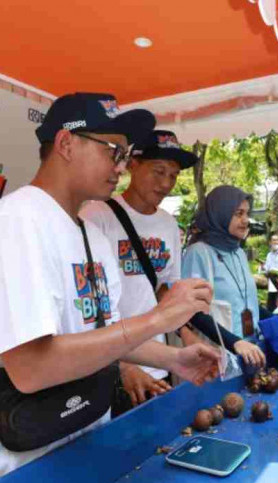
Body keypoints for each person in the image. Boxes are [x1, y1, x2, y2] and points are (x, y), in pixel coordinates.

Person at [0, 94, 220, 483]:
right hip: (21, 470)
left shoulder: (90, 234)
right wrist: (158, 318)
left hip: (85, 444)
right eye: (113, 150)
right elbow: (31, 368)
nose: (120, 166)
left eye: (125, 153)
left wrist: (173, 358)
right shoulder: (15, 223)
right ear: (66, 144)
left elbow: (106, 333)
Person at [80, 129, 203, 409]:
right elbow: (86, 308)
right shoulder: (96, 216)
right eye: (158, 171)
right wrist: (121, 364)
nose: (166, 183)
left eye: (173, 175)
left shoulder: (168, 224)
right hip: (109, 370)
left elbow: (163, 291)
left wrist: (186, 333)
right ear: (132, 164)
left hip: (157, 365)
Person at [182, 185, 267, 367]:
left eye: (247, 213)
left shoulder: (238, 252)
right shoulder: (199, 253)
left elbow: (247, 301)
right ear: (220, 213)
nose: (246, 220)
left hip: (249, 354)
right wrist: (234, 342)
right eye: (238, 213)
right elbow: (192, 312)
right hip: (215, 358)